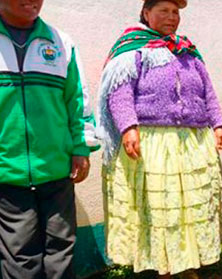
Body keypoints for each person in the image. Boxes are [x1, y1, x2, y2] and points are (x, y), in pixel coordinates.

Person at [98, 0, 222, 278]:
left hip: (192, 141)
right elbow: (119, 92)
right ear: (146, 14)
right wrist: (127, 127)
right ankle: (164, 266)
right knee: (162, 207)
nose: (172, 17)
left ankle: (188, 262)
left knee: (191, 205)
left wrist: (218, 123)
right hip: (154, 142)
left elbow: (208, 90)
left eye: (176, 12)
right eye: (164, 11)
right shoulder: (132, 49)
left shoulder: (187, 51)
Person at [0, 0, 100, 278]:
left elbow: (77, 100)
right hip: (8, 176)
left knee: (61, 251)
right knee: (20, 259)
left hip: (57, 170)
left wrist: (81, 147)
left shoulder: (60, 43)